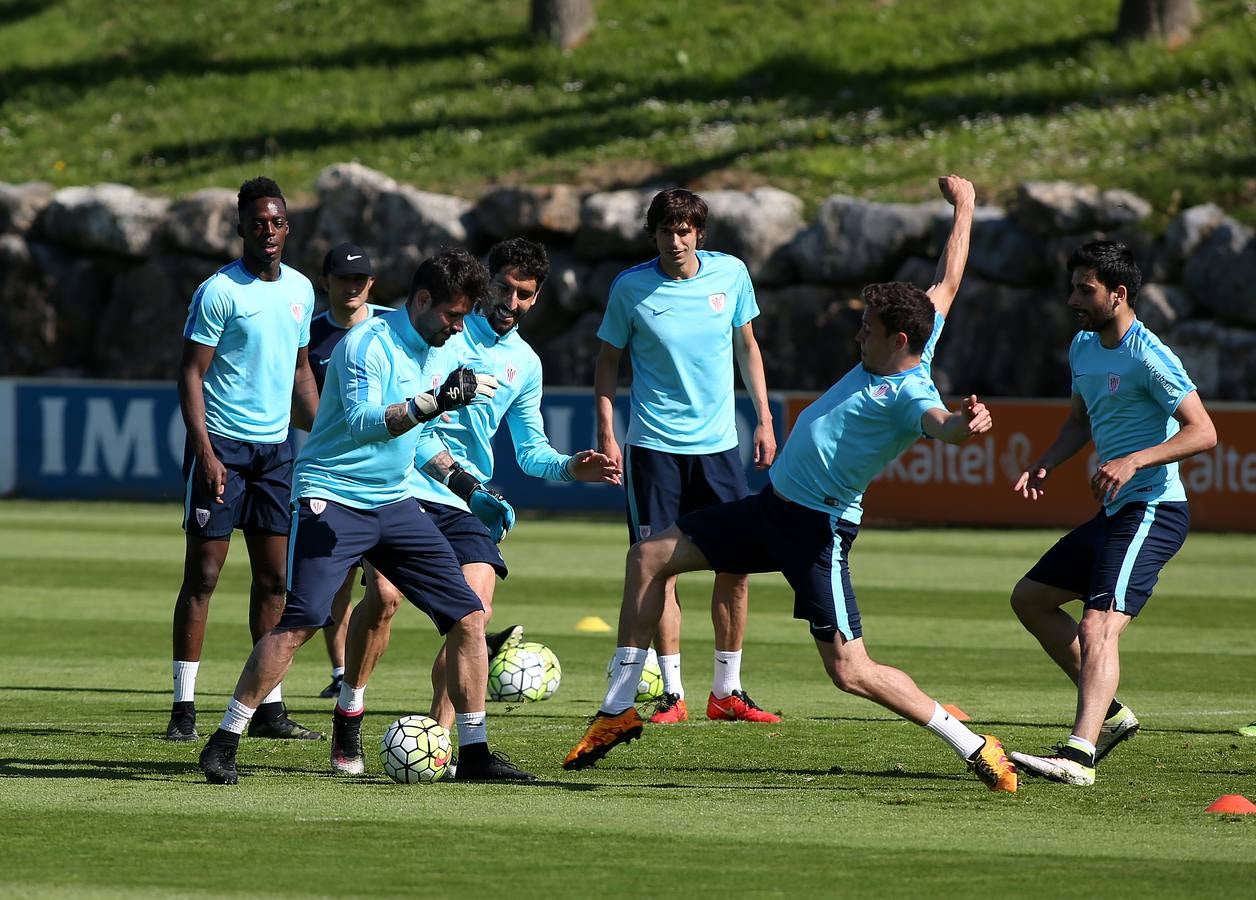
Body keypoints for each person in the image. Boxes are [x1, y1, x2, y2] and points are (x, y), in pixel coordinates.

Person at [565, 176, 1019, 794]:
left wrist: (966, 425)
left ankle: (972, 744)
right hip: (769, 511)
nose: (858, 334)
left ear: (900, 340)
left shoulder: (911, 390)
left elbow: (940, 425)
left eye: (868, 327)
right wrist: (965, 207)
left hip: (817, 531)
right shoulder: (916, 331)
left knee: (850, 671)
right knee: (647, 556)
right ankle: (617, 709)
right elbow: (948, 281)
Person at [197, 248, 536, 785]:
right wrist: (434, 401)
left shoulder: (439, 349)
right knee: (302, 620)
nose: (457, 327)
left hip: (394, 500)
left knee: (469, 617)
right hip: (330, 496)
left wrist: (468, 487)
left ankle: (473, 753)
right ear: (422, 300)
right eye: (452, 315)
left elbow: (422, 439)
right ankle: (225, 738)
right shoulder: (366, 344)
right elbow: (360, 424)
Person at [328, 238, 620, 776]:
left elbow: (531, 452)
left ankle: (446, 745)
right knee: (386, 599)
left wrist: (569, 468)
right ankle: (350, 710)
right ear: (485, 283)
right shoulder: (444, 333)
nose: (511, 302)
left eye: (524, 295)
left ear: (537, 299)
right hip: (404, 483)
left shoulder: (525, 365)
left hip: (470, 502)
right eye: (503, 288)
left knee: (472, 616)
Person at [1008, 240, 1217, 787]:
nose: (1073, 297)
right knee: (1031, 599)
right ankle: (1114, 716)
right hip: (1116, 513)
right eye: (1074, 285)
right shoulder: (1082, 347)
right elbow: (1080, 421)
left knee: (1099, 624)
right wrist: (1047, 462)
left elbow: (1204, 431)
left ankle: (1079, 755)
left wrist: (1132, 460)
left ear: (1118, 294)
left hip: (1154, 509)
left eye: (1086, 288)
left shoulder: (1150, 354)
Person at [593, 188, 778, 726]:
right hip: (653, 448)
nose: (676, 241)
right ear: (653, 234)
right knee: (659, 570)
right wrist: (607, 430)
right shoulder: (630, 287)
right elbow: (608, 361)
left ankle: (728, 690)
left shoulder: (731, 275)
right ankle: (672, 693)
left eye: (685, 231)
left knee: (736, 566)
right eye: (666, 231)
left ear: (699, 234)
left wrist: (764, 419)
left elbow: (748, 346)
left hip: (720, 447)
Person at [168, 176, 321, 743]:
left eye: (278, 221)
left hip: (276, 452)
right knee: (204, 575)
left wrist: (329, 429)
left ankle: (269, 708)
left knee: (274, 580)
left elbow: (302, 373)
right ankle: (185, 705)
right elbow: (190, 373)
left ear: (289, 227)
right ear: (241, 227)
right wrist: (205, 453)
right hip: (223, 449)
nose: (269, 230)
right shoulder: (219, 292)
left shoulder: (301, 290)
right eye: (259, 222)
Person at [297, 242, 395, 701]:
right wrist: (331, 431)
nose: (352, 287)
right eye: (343, 279)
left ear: (371, 284)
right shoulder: (311, 335)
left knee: (384, 589)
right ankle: (341, 673)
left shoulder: (392, 327)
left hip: (386, 480)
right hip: (332, 478)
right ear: (327, 282)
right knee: (334, 586)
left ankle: (357, 678)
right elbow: (292, 400)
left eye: (361, 280)